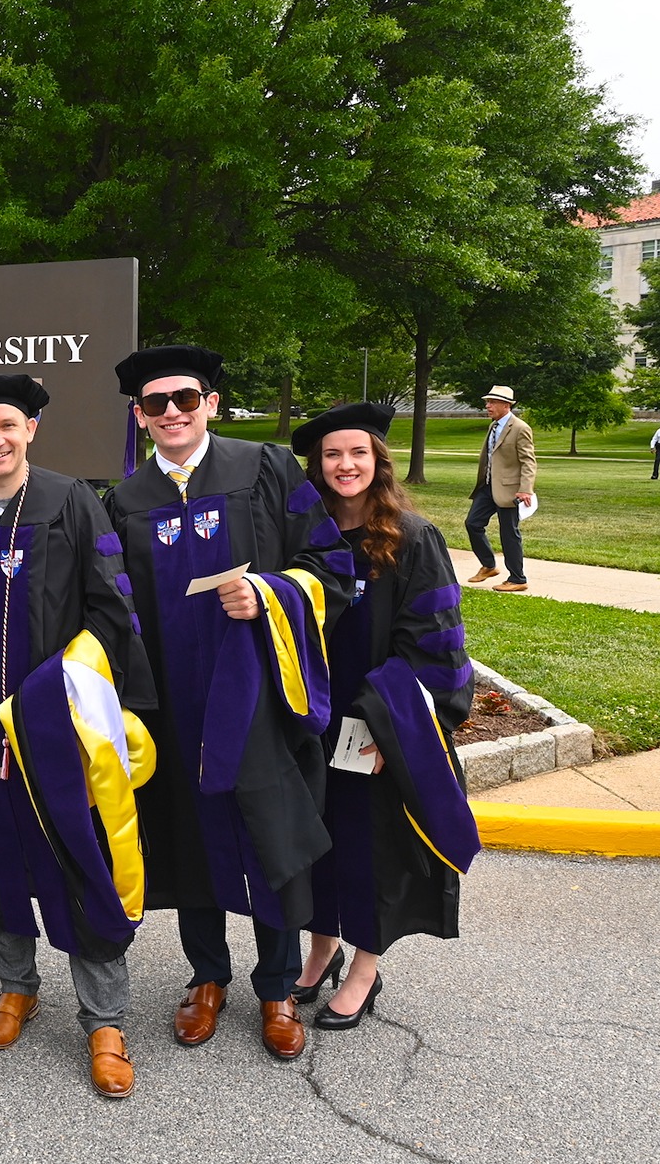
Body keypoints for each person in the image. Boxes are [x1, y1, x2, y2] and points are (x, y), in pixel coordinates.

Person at [105, 345, 352, 1062]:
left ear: (211, 402)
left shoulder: (266, 470)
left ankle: (276, 985)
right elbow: (111, 608)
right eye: (157, 403)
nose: (173, 412)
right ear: (140, 416)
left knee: (270, 835)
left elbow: (330, 565)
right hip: (171, 705)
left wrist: (271, 592)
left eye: (187, 397)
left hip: (258, 700)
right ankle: (207, 976)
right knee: (190, 837)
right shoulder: (125, 502)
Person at [0, 373, 153, 1099]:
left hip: (56, 731)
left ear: (31, 430)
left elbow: (111, 609)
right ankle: (16, 986)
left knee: (79, 858)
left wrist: (64, 700)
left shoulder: (70, 501)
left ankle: (105, 1017)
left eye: (7, 425)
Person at [288, 403, 481, 1029]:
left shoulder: (410, 537)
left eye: (358, 453)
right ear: (316, 466)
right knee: (316, 838)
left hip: (374, 723)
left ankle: (365, 969)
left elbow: (432, 639)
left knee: (370, 844)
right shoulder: (305, 538)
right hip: (310, 720)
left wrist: (381, 725)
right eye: (332, 455)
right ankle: (321, 948)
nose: (345, 465)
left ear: (378, 461)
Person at [464, 385, 535, 593]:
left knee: (509, 533)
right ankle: (488, 565)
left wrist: (525, 489)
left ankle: (517, 578)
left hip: (510, 491)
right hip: (487, 487)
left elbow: (528, 461)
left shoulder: (520, 428)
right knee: (473, 523)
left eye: (492, 402)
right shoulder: (494, 426)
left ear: (506, 405)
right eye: (487, 402)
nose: (488, 406)